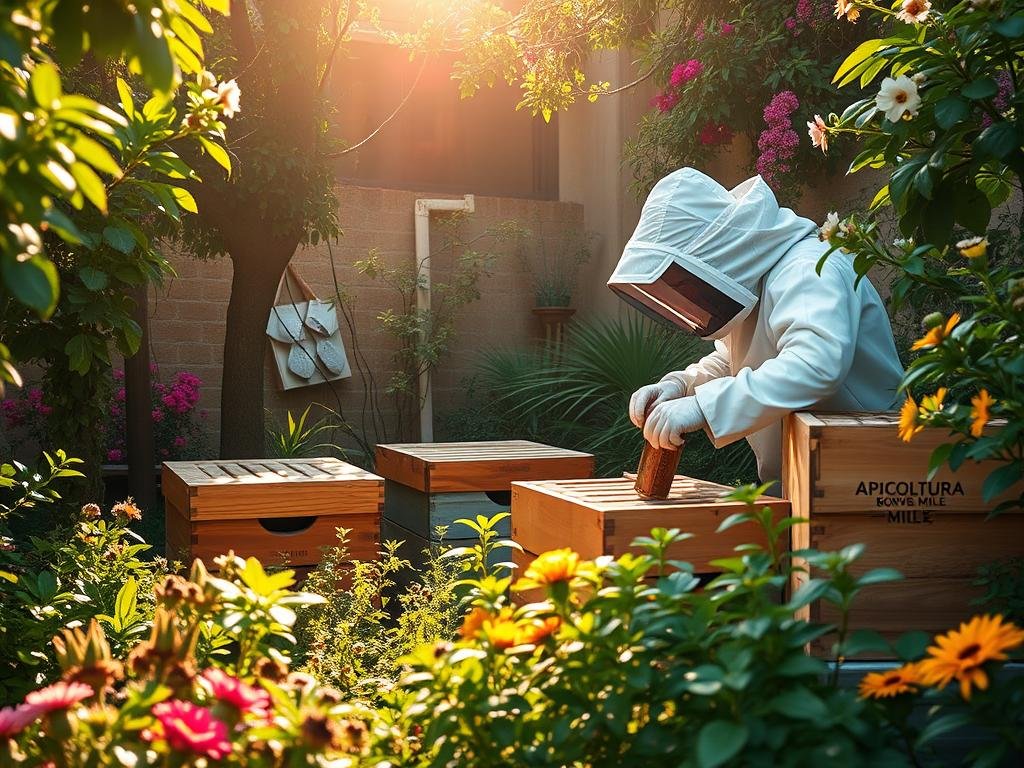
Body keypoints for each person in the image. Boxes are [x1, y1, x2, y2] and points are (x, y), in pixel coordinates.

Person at [608, 167, 904, 486]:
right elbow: (732, 359)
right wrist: (682, 385)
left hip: (876, 478)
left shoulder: (807, 269)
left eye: (682, 281)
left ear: (713, 248)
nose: (684, 295)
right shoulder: (756, 280)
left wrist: (704, 406)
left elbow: (815, 364)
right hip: (817, 479)